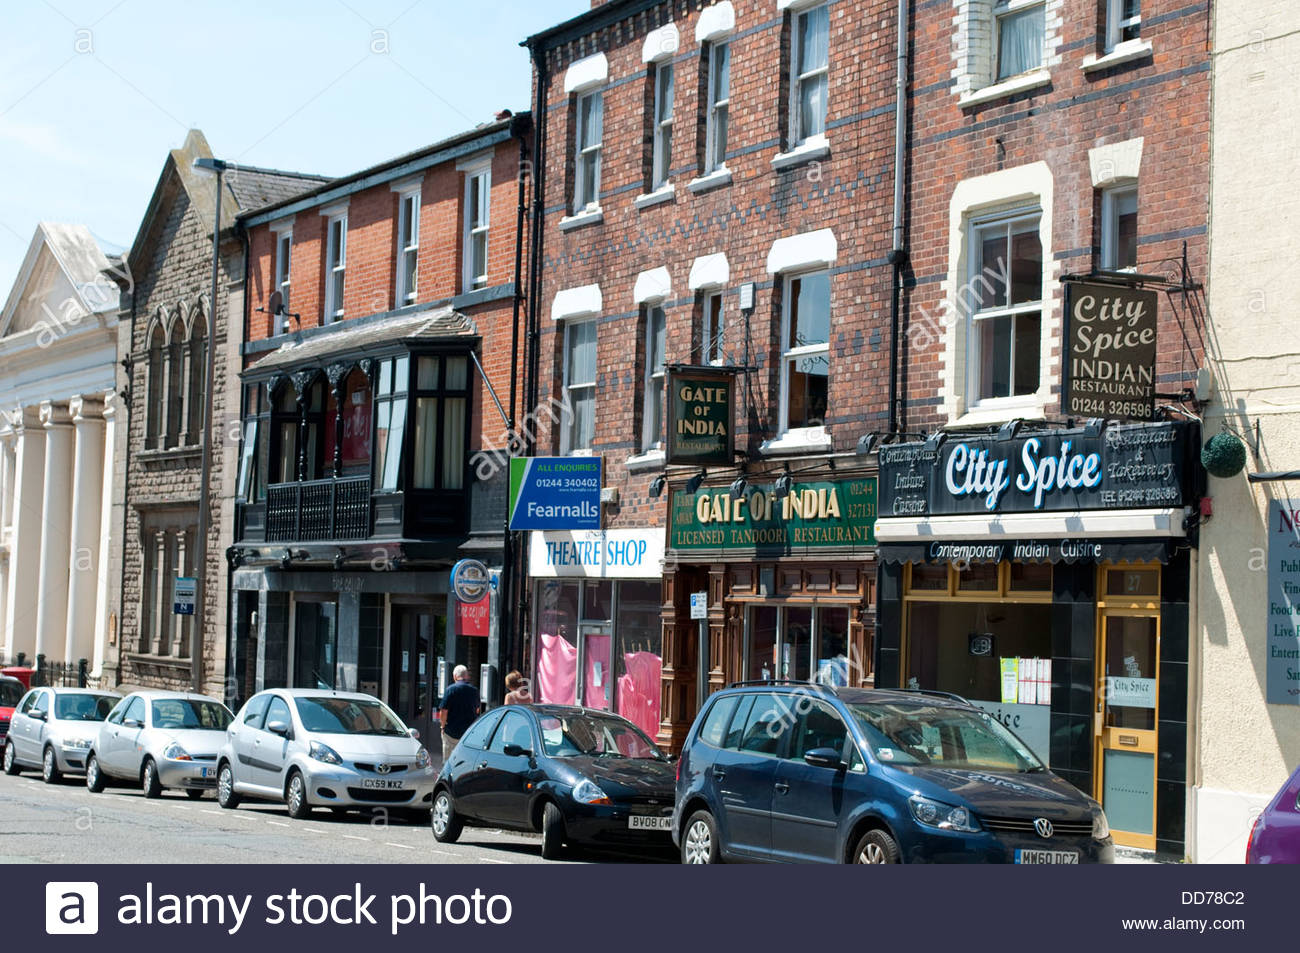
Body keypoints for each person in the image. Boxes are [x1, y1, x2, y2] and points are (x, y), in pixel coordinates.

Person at [438, 665, 481, 762]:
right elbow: (477, 710)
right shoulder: (474, 691)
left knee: (448, 762)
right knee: (465, 761)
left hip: (451, 732)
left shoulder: (450, 689)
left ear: (454, 676)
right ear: (467, 676)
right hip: (468, 732)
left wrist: (442, 726)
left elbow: (443, 711)